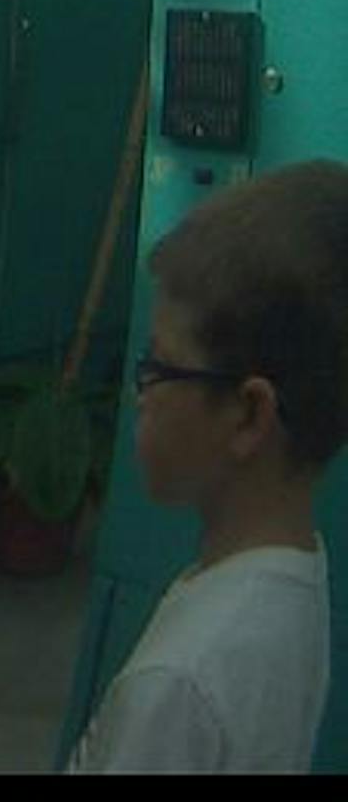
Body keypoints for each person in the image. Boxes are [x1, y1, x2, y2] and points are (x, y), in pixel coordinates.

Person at [66, 160, 348, 773]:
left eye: (160, 367)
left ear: (249, 415)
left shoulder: (178, 686)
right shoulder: (295, 574)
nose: (140, 391)